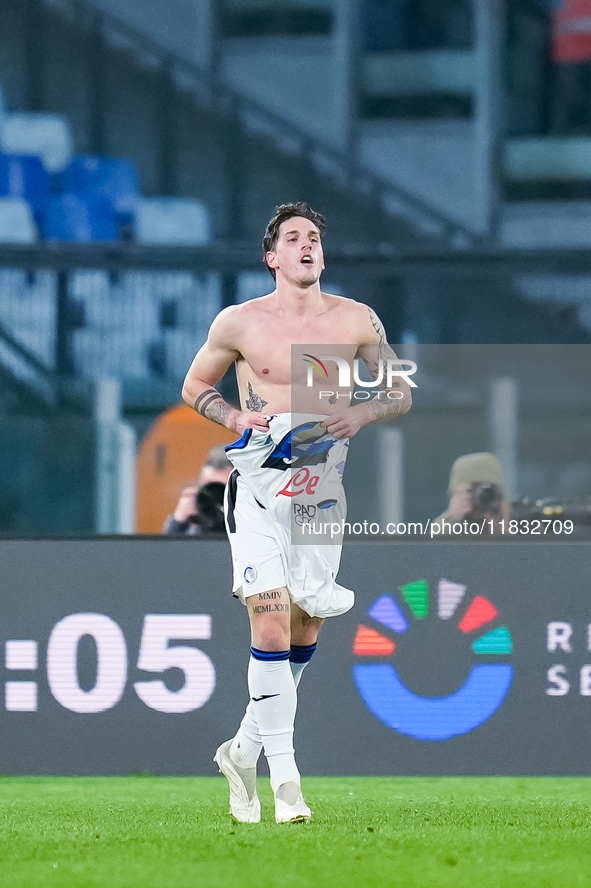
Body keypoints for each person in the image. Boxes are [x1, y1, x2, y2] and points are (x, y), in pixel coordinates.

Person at [181, 201, 412, 824]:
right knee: (273, 622)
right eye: (294, 238)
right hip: (256, 487)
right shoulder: (239, 322)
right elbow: (194, 385)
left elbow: (399, 390)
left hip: (318, 492)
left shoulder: (355, 320)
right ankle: (287, 785)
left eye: (315, 237)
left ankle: (242, 751)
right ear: (272, 257)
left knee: (306, 628)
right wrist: (232, 417)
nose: (307, 245)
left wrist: (363, 412)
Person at [431, 452, 510, 535]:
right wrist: (451, 519)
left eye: (488, 494)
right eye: (471, 491)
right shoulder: (447, 526)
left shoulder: (508, 518)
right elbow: (433, 545)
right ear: (454, 495)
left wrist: (503, 525)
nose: (481, 498)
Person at [163, 445, 232, 536]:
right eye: (210, 488)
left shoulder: (248, 519)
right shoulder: (192, 524)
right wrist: (179, 522)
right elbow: (168, 549)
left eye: (222, 489)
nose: (215, 497)